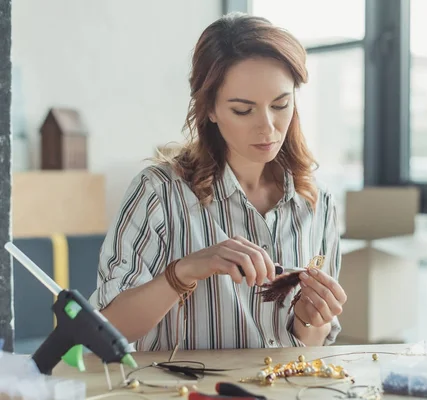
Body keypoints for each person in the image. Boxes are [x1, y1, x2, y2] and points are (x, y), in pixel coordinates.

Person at [88, 12, 347, 351]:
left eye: (281, 104)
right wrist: (184, 271)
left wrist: (311, 318)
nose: (268, 127)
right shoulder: (159, 192)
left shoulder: (317, 201)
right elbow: (104, 330)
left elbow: (312, 342)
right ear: (209, 108)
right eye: (243, 110)